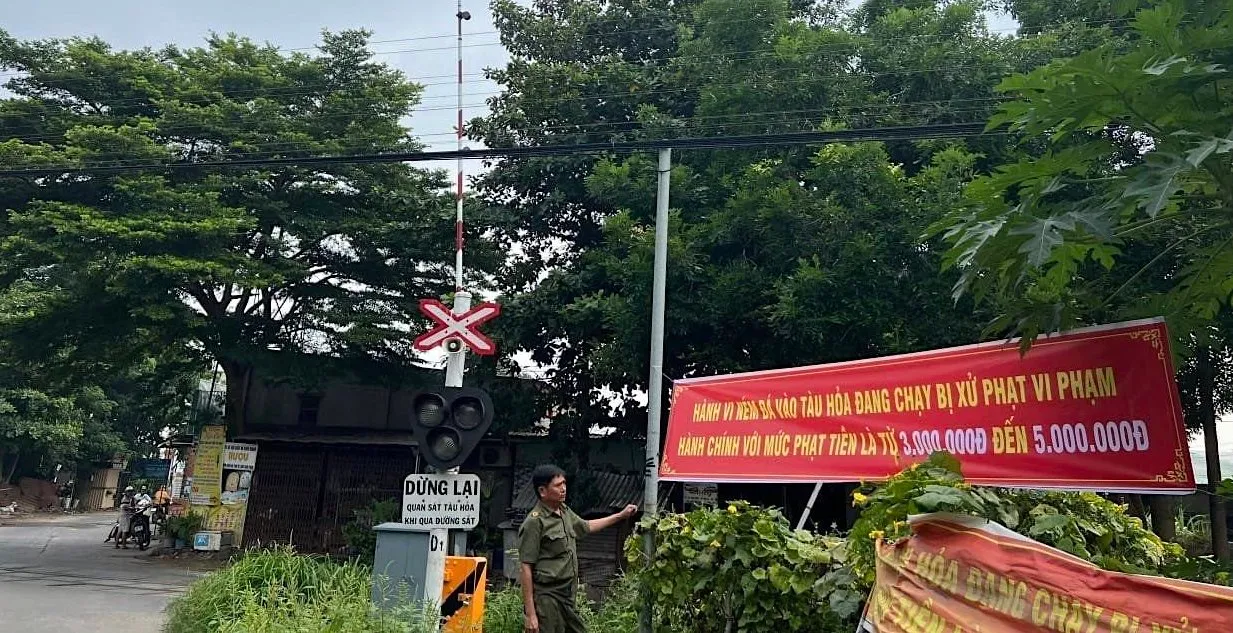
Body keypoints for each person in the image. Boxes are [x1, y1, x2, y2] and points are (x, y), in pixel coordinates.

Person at [518, 464, 637, 633]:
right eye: (558, 486)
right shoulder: (534, 522)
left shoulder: (564, 511)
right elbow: (525, 567)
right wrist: (530, 614)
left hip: (566, 595)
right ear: (543, 491)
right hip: (547, 596)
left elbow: (586, 526)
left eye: (564, 484)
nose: (564, 489)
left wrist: (620, 516)